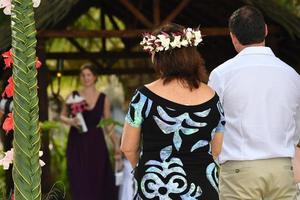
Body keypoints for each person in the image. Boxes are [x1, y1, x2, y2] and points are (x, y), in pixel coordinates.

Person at [121, 23, 225, 200]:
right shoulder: (212, 97)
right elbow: (216, 149)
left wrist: (144, 170)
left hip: (155, 189)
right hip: (203, 190)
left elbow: (128, 148)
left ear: (160, 58)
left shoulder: (143, 97)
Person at [208, 6, 300, 200]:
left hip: (240, 169)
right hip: (283, 168)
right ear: (265, 30)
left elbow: (212, 125)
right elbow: (297, 127)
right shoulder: (292, 75)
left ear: (233, 36)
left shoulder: (221, 75)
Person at [60, 63, 121, 200]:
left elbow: (108, 124)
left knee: (98, 180)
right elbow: (62, 116)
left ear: (95, 77)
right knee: (78, 180)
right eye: (83, 75)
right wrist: (70, 121)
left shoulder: (103, 98)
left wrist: (116, 144)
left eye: (88, 75)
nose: (85, 78)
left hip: (96, 143)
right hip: (77, 142)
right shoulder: (73, 95)